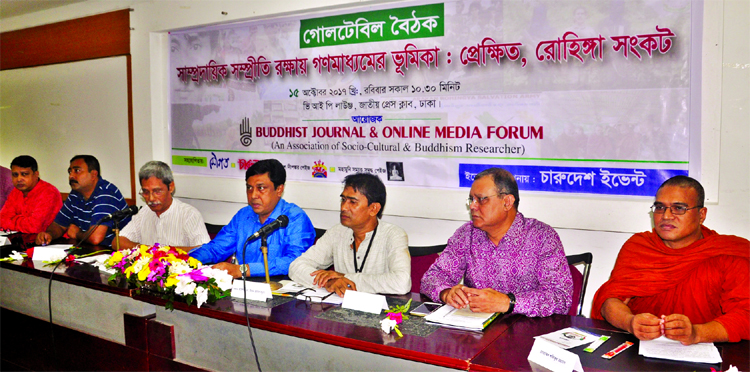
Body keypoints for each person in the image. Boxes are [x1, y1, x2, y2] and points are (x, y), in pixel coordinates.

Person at [592, 176, 749, 345]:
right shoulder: (639, 247)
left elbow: (745, 314)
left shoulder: (728, 253)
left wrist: (696, 333)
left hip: (707, 352)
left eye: (679, 208)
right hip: (640, 351)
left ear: (701, 214)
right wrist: (630, 322)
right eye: (660, 207)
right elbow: (610, 300)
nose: (666, 216)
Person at [421, 167, 573, 317]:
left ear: (507, 202)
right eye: (471, 199)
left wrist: (508, 302)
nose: (473, 206)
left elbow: (560, 298)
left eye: (481, 199)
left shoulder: (542, 237)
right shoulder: (467, 234)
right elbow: (432, 278)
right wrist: (446, 292)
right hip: (476, 330)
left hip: (526, 332)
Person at [190, 159, 315, 278]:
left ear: (279, 190)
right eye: (249, 188)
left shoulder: (295, 218)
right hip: (245, 289)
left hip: (283, 292)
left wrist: (242, 270)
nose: (253, 195)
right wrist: (186, 262)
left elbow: (294, 262)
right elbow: (216, 248)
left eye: (261, 188)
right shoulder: (244, 215)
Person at [289, 173, 411, 296]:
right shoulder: (337, 232)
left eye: (352, 202)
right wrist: (329, 281)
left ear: (373, 209)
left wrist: (345, 277)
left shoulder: (394, 235)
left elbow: (401, 282)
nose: (343, 207)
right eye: (343, 200)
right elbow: (296, 266)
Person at [35, 155, 130, 246]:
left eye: (77, 171)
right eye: (70, 172)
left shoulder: (106, 193)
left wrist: (77, 234)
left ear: (93, 174)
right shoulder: (75, 194)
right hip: (91, 250)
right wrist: (48, 234)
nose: (71, 176)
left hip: (116, 254)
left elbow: (96, 238)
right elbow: (59, 225)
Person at [117, 161, 210, 250]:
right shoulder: (143, 213)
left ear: (171, 187)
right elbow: (118, 241)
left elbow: (204, 250)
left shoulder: (189, 215)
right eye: (145, 192)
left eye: (157, 191)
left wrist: (163, 251)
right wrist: (147, 250)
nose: (151, 198)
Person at [0, 156, 62, 233]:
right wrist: (23, 220)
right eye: (15, 175)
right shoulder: (16, 192)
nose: (19, 179)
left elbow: (34, 227)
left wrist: (14, 219)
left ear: (36, 175)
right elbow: (1, 219)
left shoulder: (49, 192)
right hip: (19, 239)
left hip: (48, 242)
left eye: (24, 174)